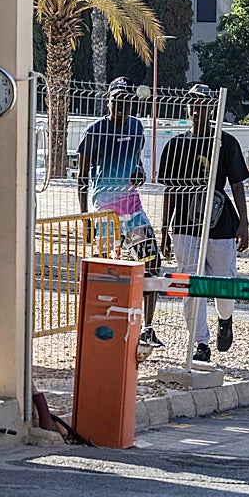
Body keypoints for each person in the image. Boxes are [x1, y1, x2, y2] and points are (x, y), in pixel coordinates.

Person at [158, 84, 249, 362]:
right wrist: (165, 229)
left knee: (224, 282)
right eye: (192, 104)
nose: (197, 109)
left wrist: (243, 222)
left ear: (213, 108)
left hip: (221, 222)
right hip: (186, 224)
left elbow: (237, 184)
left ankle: (225, 319)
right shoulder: (176, 145)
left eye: (202, 104)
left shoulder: (226, 143)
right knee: (192, 284)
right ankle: (200, 343)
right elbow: (170, 190)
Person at [77, 77, 163, 347]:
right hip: (104, 208)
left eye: (127, 101)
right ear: (109, 101)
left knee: (152, 261)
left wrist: (139, 172)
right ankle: (102, 328)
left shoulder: (137, 127)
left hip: (132, 205)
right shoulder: (95, 131)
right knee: (106, 269)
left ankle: (147, 328)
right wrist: (86, 219)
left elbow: (137, 163)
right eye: (117, 101)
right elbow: (82, 177)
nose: (122, 106)